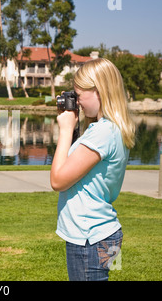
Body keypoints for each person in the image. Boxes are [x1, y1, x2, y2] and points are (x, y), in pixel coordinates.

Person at [50, 58, 135, 281]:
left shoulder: (102, 134)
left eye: (79, 96)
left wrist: (66, 130)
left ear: (99, 92)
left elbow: (58, 180)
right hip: (105, 232)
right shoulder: (111, 128)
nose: (77, 103)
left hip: (89, 238)